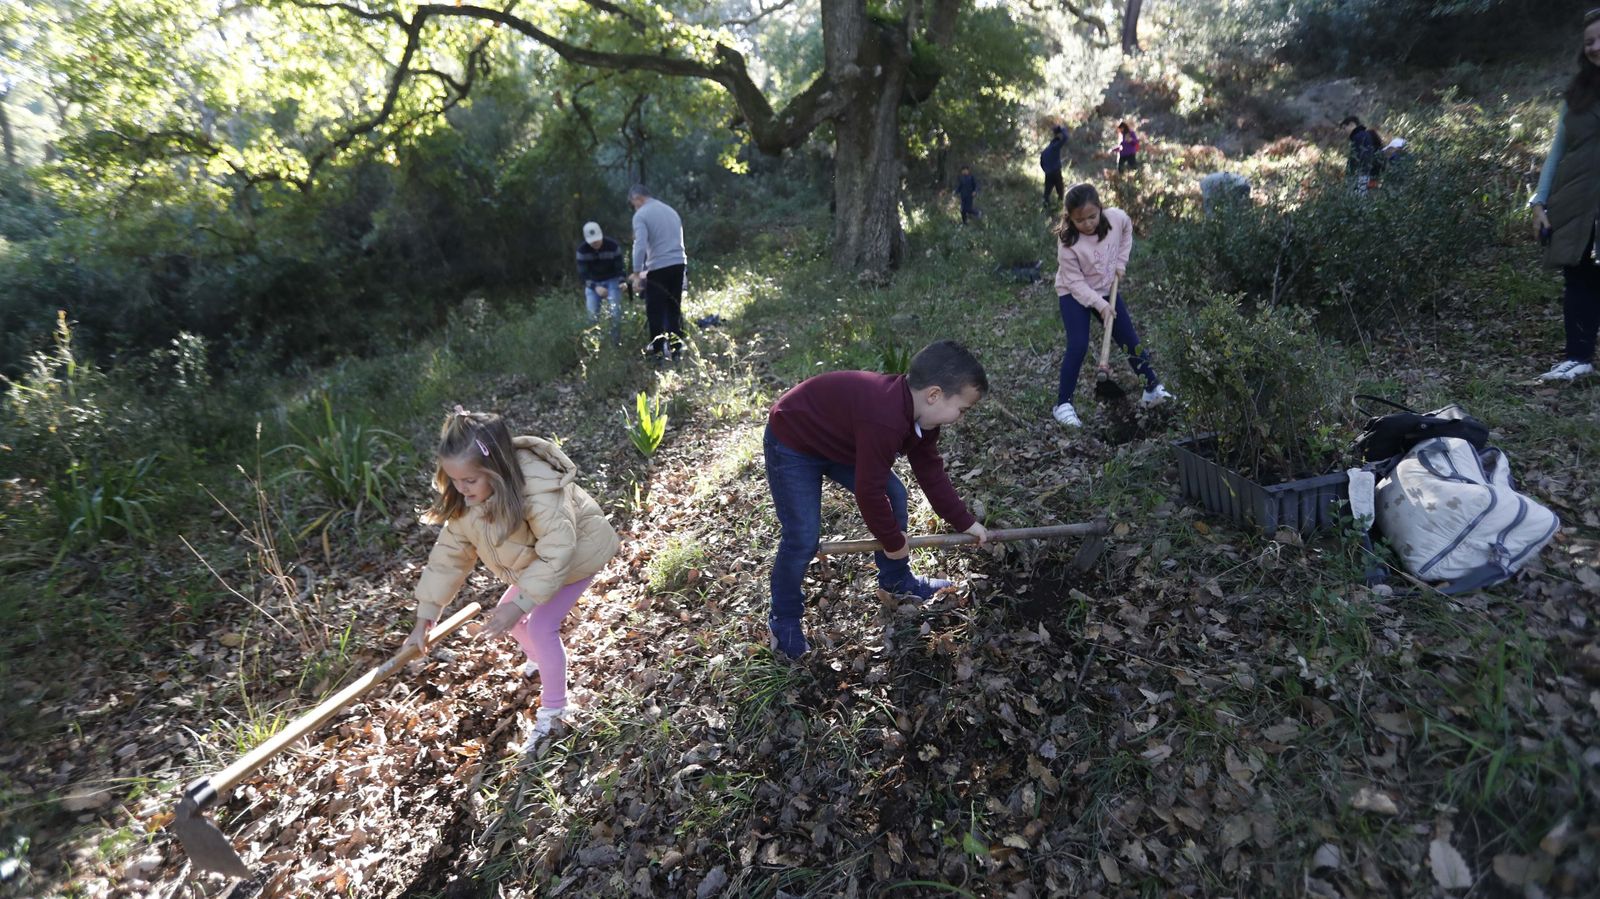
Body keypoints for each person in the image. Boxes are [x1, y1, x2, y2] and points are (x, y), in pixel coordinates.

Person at [406, 407, 621, 750]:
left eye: (469, 480)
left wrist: (522, 603)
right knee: (512, 620)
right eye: (454, 480)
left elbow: (557, 552)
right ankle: (541, 659)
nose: (460, 489)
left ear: (495, 469)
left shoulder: (539, 489)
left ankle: (555, 711)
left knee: (538, 626)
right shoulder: (468, 500)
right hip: (538, 565)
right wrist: (425, 617)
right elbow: (448, 559)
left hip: (576, 558)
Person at [763, 341, 991, 659]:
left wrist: (965, 522)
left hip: (838, 439)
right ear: (935, 395)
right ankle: (783, 617)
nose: (961, 418)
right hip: (794, 440)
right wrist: (892, 540)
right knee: (802, 536)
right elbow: (868, 493)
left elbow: (930, 472)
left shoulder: (922, 418)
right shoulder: (885, 418)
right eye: (962, 409)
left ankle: (897, 579)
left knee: (895, 492)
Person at [1050, 183, 1173, 428]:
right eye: (1079, 220)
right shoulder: (1067, 244)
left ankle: (1151, 389)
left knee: (1129, 340)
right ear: (1069, 218)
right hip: (1073, 294)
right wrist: (1100, 306)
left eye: (1092, 216)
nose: (1087, 224)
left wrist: (1121, 262)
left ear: (1100, 208)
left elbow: (1127, 231)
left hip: (1107, 289)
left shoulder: (1116, 219)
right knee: (1078, 345)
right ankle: (1063, 404)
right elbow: (1075, 283)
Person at [1532, 7, 1600, 382]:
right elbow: (1557, 151)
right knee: (1579, 278)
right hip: (1575, 200)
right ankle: (1579, 357)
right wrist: (1539, 202)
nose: (1596, 47)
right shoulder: (1576, 94)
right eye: (1589, 41)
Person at [628, 184, 688, 361]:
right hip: (679, 262)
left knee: (655, 310)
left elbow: (639, 244)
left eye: (633, 204)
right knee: (673, 307)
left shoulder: (641, 215)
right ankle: (677, 351)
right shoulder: (670, 210)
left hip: (659, 266)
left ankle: (658, 353)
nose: (634, 207)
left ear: (637, 199)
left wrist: (637, 271)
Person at [575, 222, 626, 346]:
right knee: (592, 316)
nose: (595, 243)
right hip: (593, 283)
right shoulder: (582, 251)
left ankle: (616, 344)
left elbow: (620, 267)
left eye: (597, 240)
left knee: (615, 313)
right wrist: (595, 287)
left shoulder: (613, 246)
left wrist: (622, 282)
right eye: (592, 242)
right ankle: (594, 345)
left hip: (612, 280)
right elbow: (583, 275)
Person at [1339, 116, 1382, 191]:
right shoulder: (1366, 135)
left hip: (1361, 176)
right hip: (1368, 175)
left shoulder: (1359, 137)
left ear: (1352, 124)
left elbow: (1359, 157)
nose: (1344, 131)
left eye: (1344, 128)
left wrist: (1351, 174)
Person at [1040, 125, 1067, 206]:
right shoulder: (1055, 147)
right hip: (1056, 172)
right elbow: (1065, 138)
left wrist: (1046, 170)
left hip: (1048, 173)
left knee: (1047, 192)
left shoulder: (1045, 150)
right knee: (1060, 191)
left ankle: (1046, 208)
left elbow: (1041, 163)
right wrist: (1063, 130)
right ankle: (1060, 207)